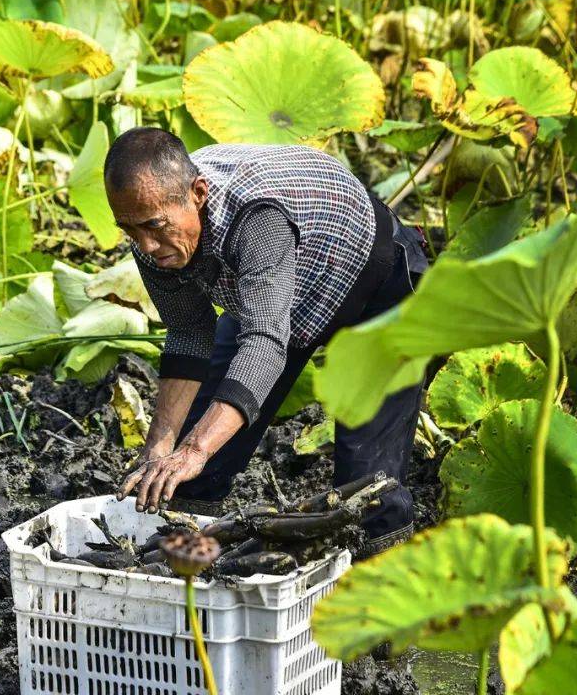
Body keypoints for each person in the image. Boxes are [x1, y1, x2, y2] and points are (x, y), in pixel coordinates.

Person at [107, 127, 429, 556]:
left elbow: (264, 342)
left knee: (366, 494)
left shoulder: (256, 216)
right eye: (129, 229)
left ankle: (377, 589)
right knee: (184, 468)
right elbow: (189, 333)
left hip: (378, 282)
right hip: (284, 299)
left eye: (154, 226)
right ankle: (183, 560)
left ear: (198, 194)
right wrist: (161, 447)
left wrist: (195, 448)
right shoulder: (153, 232)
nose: (145, 244)